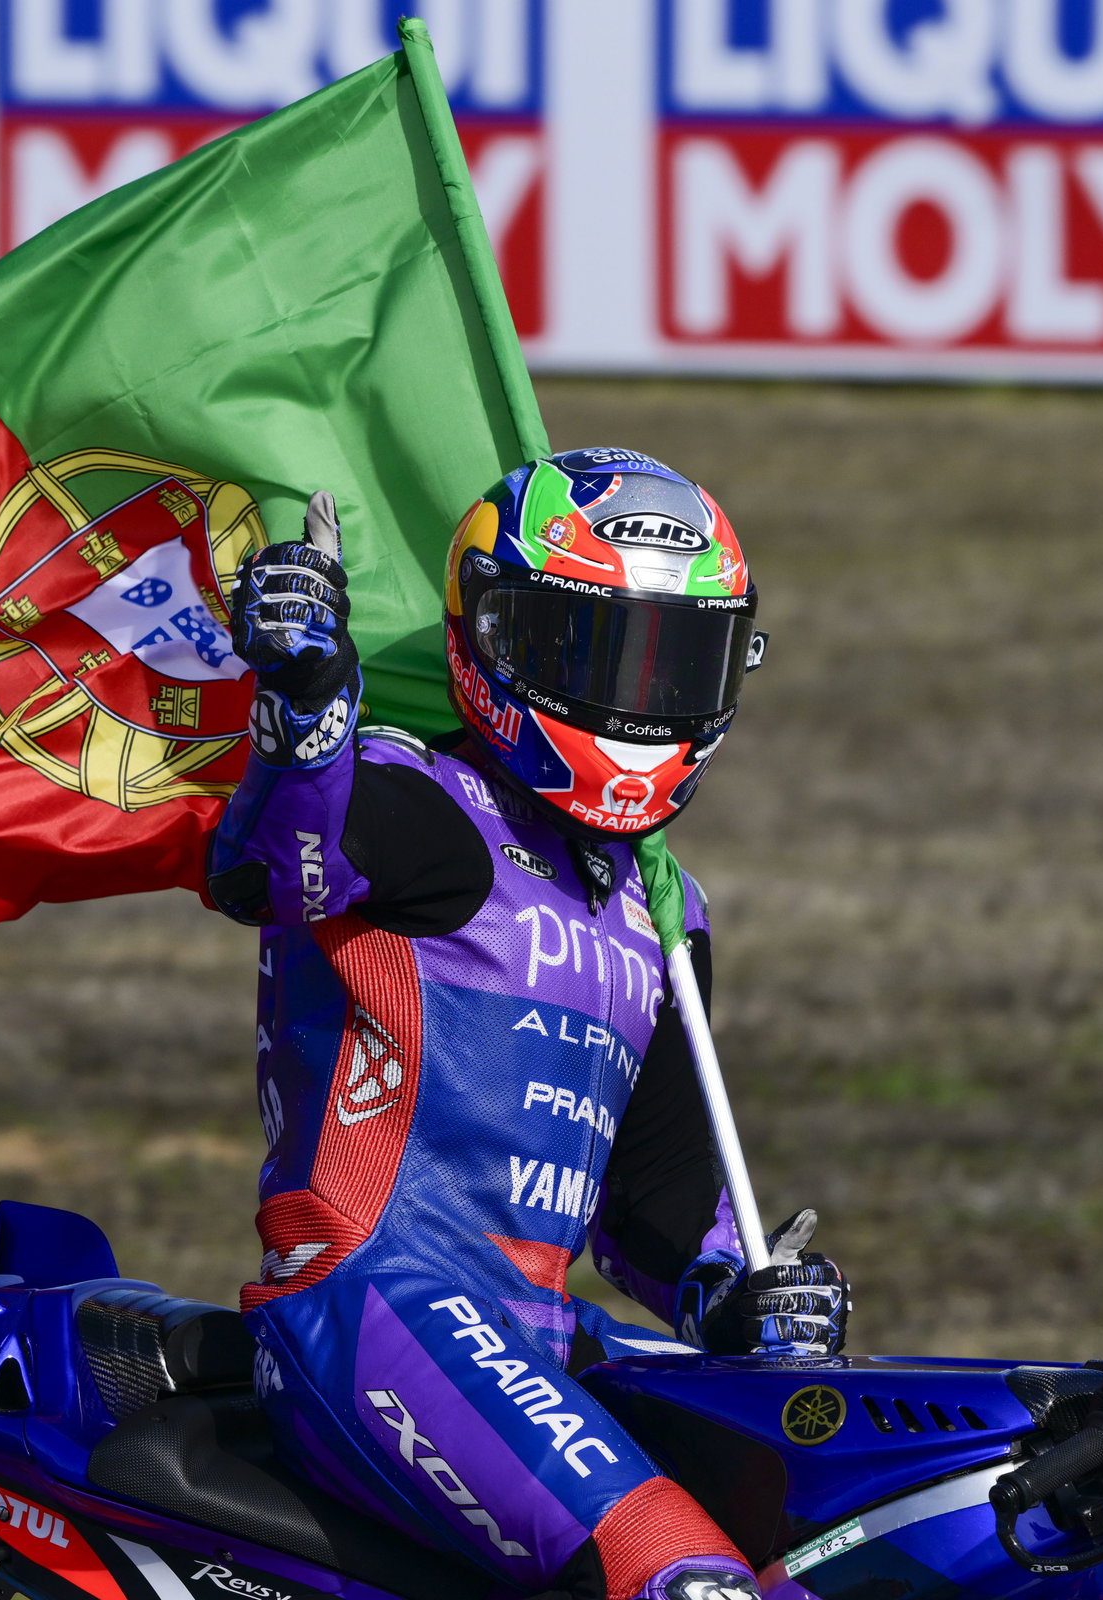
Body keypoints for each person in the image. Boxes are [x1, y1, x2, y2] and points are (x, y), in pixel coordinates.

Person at [206, 448, 849, 1600]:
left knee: (831, 1562)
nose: (636, 695)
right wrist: (304, 707)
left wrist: (736, 1295)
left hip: (541, 1338)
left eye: (674, 658)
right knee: (686, 1583)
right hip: (372, 1306)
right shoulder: (414, 804)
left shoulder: (672, 914)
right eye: (599, 650)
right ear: (496, 638)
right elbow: (269, 867)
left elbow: (652, 1220)